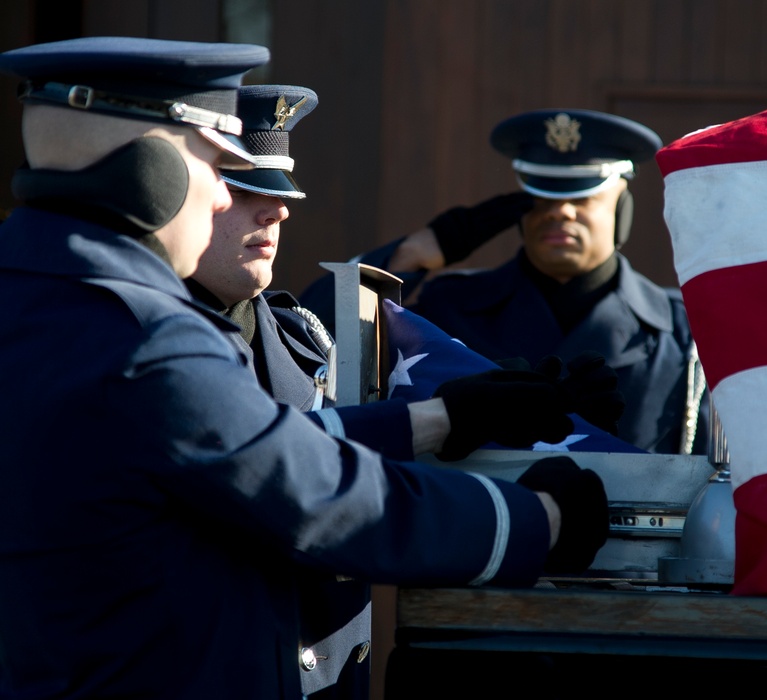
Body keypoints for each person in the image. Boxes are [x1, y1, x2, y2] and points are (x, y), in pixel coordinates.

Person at [0, 37, 608, 700]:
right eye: (216, 164)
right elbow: (326, 500)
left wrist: (440, 419)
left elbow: (245, 448)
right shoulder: (147, 343)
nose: (223, 200)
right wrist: (540, 520)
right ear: (151, 170)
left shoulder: (39, 306)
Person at [189, 83, 622, 697]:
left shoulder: (300, 339)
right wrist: (528, 510)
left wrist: (501, 409)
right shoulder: (146, 353)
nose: (279, 210)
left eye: (282, 192)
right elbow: (305, 476)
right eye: (242, 186)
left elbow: (361, 444)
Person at [301, 108, 707, 454]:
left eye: (582, 197)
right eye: (543, 196)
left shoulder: (684, 329)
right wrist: (413, 254)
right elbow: (313, 344)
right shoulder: (451, 305)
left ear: (622, 209)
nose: (560, 213)